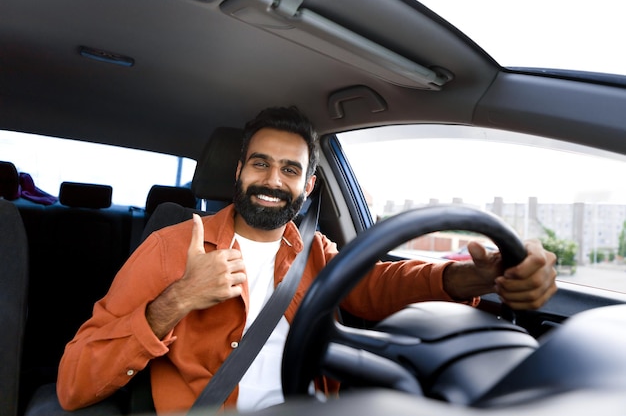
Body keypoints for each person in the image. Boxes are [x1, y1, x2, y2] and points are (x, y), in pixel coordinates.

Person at [56, 106, 557, 414]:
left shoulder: (313, 250)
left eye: (290, 169)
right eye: (260, 163)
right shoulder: (172, 245)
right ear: (239, 171)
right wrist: (181, 297)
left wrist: (470, 276)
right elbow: (73, 383)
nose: (274, 180)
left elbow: (380, 284)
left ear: (308, 185)